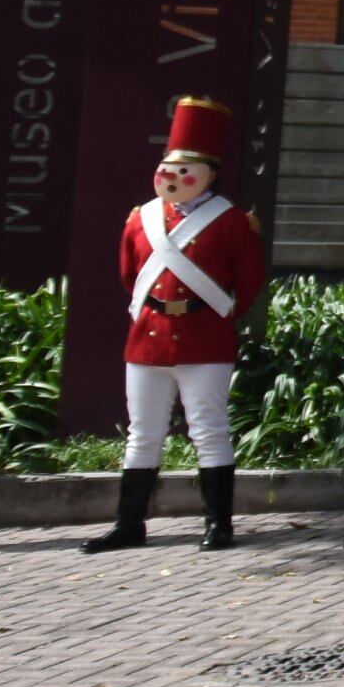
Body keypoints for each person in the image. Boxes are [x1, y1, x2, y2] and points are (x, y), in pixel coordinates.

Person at [86, 95, 266, 554]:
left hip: (204, 338)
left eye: (185, 171)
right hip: (147, 339)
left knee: (208, 429)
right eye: (167, 169)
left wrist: (208, 313)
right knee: (142, 432)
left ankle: (218, 524)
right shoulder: (140, 219)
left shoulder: (231, 222)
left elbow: (247, 284)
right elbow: (130, 274)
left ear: (208, 176)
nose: (173, 177)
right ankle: (129, 524)